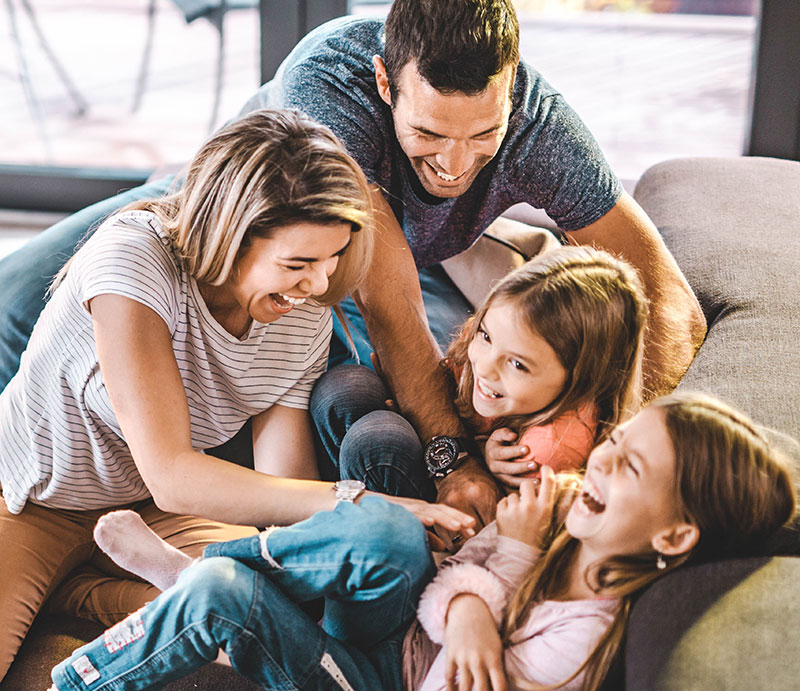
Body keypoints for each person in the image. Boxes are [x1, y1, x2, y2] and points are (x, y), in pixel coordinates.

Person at [0, 0, 706, 534]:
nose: (454, 166)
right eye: (429, 134)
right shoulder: (331, 81)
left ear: (512, 94)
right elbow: (383, 298)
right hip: (241, 213)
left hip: (333, 268)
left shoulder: (542, 127)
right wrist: (450, 463)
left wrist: (610, 438)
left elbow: (666, 295)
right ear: (384, 83)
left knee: (329, 380)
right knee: (19, 295)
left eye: (482, 136)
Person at [0, 109, 474, 681]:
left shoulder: (299, 312)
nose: (320, 285)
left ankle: (88, 590)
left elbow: (284, 491)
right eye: (298, 263)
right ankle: (79, 589)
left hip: (152, 512)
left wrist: (347, 541)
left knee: (270, 604)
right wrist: (365, 502)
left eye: (332, 260)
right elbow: (172, 473)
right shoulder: (133, 262)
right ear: (228, 233)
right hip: (30, 499)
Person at [49, 392, 796, 691]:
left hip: (384, 683)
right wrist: (474, 590)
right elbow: (448, 586)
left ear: (674, 532)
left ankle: (83, 675)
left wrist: (505, 565)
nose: (598, 458)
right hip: (394, 635)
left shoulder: (584, 636)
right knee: (387, 530)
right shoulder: (567, 516)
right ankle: (213, 561)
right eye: (618, 438)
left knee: (220, 600)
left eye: (628, 465)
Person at [313, 245, 648, 507]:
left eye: (517, 364)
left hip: (460, 532)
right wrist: (412, 401)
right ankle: (320, 505)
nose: (485, 366)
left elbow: (496, 524)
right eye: (486, 336)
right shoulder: (489, 362)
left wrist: (485, 463)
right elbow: (455, 389)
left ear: (582, 381)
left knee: (376, 441)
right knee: (344, 387)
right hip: (449, 463)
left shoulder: (549, 449)